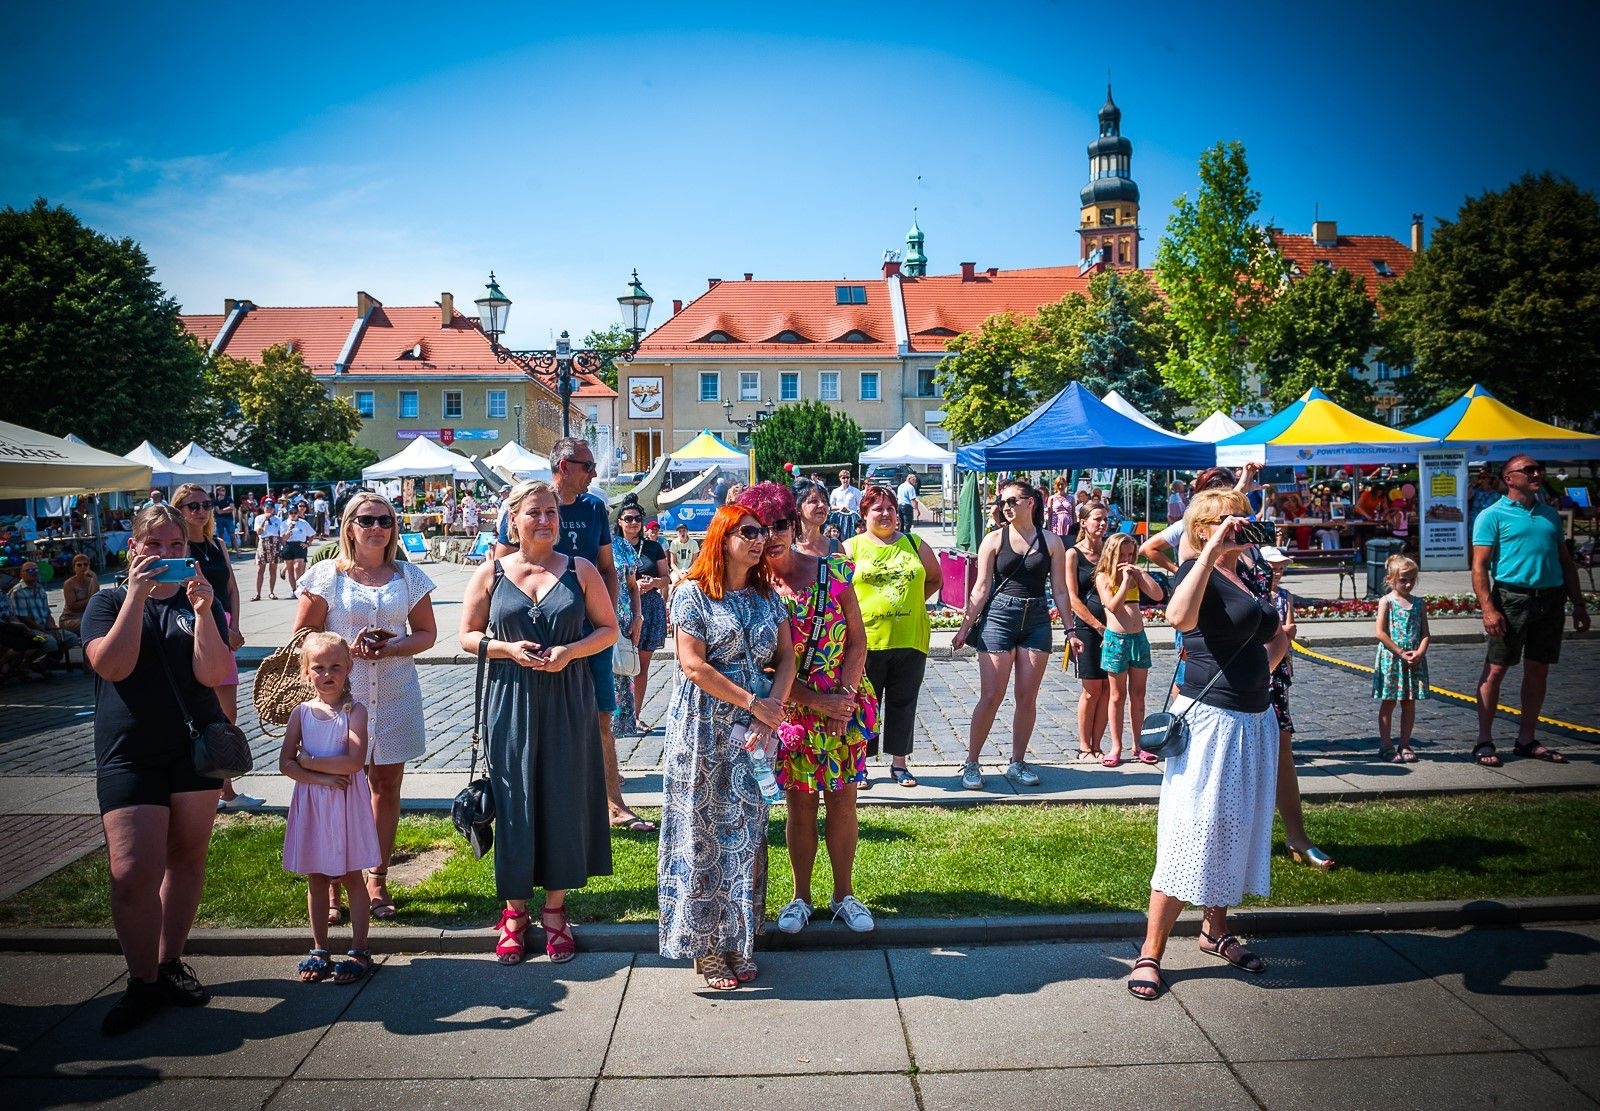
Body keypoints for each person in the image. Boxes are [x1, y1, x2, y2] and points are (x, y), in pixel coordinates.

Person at [1128, 488, 1289, 1002]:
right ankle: (1151, 951)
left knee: (1237, 826)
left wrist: (1282, 636)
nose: (1240, 526)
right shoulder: (1195, 574)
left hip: (1252, 720)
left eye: (1243, 518)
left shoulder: (1247, 574)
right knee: (1190, 831)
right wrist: (1209, 549)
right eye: (1226, 520)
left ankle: (1215, 930)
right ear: (1201, 528)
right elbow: (1178, 618)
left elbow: (1265, 645)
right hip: (1210, 724)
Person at [82, 504, 231, 1034]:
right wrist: (139, 596)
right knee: (130, 873)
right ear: (134, 549)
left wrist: (208, 612)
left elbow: (215, 673)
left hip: (194, 751)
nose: (167, 556)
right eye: (156, 546)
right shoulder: (106, 602)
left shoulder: (198, 602)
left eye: (177, 547)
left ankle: (169, 964)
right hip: (129, 751)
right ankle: (140, 980)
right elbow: (112, 665)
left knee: (186, 859)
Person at [458, 480, 618, 965]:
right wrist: (506, 648)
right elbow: (466, 636)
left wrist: (570, 651)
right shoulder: (490, 572)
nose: (545, 520)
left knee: (563, 798)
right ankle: (513, 913)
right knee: (514, 799)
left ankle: (555, 912)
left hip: (568, 697)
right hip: (510, 697)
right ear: (514, 519)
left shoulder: (581, 569)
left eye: (550, 512)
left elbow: (608, 630)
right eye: (534, 512)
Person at [658, 504, 795, 990]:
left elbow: (786, 659)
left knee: (747, 834)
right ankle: (706, 948)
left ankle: (740, 940)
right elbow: (693, 665)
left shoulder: (766, 595)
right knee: (702, 832)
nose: (761, 540)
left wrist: (773, 707)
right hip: (702, 729)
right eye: (750, 532)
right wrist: (754, 702)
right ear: (722, 537)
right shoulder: (692, 594)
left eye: (765, 532)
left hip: (754, 733)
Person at [737, 483, 879, 935]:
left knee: (843, 802)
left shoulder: (832, 571)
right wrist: (819, 702)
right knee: (799, 807)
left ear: (794, 523)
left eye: (779, 524)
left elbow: (857, 640)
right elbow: (764, 664)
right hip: (791, 712)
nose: (771, 536)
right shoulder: (752, 590)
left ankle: (843, 894)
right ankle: (800, 896)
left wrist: (845, 702)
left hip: (844, 703)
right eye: (760, 528)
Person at [294, 491, 438, 923]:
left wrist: (392, 646)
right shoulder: (325, 576)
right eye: (367, 519)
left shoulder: (408, 575)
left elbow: (426, 633)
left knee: (386, 786)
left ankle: (377, 877)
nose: (377, 527)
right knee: (337, 787)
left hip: (396, 694)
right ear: (350, 526)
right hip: (338, 701)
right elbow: (303, 635)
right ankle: (334, 883)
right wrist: (342, 652)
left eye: (385, 520)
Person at [496, 438, 652, 832]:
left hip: (587, 634)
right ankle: (539, 804)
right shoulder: (522, 505)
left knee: (601, 716)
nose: (595, 473)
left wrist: (610, 621)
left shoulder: (594, 507)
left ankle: (613, 804)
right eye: (587, 465)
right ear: (563, 466)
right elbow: (500, 569)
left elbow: (608, 568)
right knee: (533, 719)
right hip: (532, 634)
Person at [1469, 455, 1588, 767]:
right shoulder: (1491, 515)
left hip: (1550, 600)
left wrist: (1578, 604)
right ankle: (1484, 740)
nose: (1537, 473)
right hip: (1511, 599)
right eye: (1529, 470)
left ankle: (1526, 738)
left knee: (1538, 670)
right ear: (1509, 478)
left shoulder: (1549, 514)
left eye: (1538, 469)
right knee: (1496, 669)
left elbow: (1565, 562)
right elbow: (1479, 567)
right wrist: (1488, 609)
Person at [954, 478, 1069, 791]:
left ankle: (1017, 762)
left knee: (1026, 697)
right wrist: (965, 626)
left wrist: (1071, 630)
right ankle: (972, 763)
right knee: (991, 696)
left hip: (1037, 618)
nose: (1006, 507)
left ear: (1030, 502)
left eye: (1012, 501)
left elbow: (1059, 589)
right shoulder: (993, 539)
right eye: (1002, 503)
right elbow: (980, 588)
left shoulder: (1051, 541)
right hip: (1000, 617)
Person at [279, 631, 379, 984]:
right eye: (318, 667)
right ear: (306, 672)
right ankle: (320, 948)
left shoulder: (356, 711)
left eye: (336, 666)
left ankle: (360, 947)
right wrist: (318, 777)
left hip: (347, 804)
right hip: (313, 802)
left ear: (349, 667)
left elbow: (353, 762)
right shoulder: (301, 713)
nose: (327, 674)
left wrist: (310, 761)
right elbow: (286, 763)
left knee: (353, 874)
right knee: (317, 876)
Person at [845, 485, 942, 787]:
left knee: (904, 702)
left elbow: (935, 578)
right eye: (877, 509)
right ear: (864, 514)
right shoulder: (851, 547)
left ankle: (899, 764)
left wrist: (910, 605)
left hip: (910, 638)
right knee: (863, 705)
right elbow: (838, 592)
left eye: (890, 508)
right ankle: (860, 765)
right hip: (866, 643)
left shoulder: (914, 543)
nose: (885, 514)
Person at [174, 482, 259, 813]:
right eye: (192, 506)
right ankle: (203, 787)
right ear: (179, 510)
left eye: (206, 504)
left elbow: (232, 589)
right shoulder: (179, 550)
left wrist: (235, 626)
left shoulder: (217, 544)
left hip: (223, 628)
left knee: (228, 714)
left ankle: (226, 788)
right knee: (197, 710)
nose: (201, 510)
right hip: (195, 628)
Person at [1258, 546, 1334, 870]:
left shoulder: (1282, 596)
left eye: (1280, 566)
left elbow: (1287, 633)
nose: (1276, 571)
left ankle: (1296, 835)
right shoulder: (1242, 588)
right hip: (1239, 681)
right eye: (1271, 565)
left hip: (1274, 678)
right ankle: (1247, 837)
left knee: (1282, 748)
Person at [1094, 532, 1165, 767]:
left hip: (1138, 639)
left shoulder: (1136, 574)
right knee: (1117, 696)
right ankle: (1116, 745)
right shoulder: (1104, 577)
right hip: (1117, 640)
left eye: (1130, 554)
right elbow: (1113, 606)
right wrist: (1124, 581)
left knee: (1139, 695)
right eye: (1122, 554)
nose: (1126, 559)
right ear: (1112, 555)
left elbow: (1158, 595)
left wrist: (1142, 574)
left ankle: (1139, 744)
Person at [1373, 554, 1430, 764]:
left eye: (1412, 579)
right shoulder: (1386, 602)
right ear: (1391, 579)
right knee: (1389, 701)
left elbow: (1425, 633)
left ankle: (1405, 743)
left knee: (1409, 702)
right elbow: (1380, 632)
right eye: (1403, 579)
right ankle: (1386, 744)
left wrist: (1420, 652)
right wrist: (1399, 651)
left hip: (1413, 659)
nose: (1408, 584)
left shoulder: (1419, 603)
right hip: (1393, 659)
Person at [617, 504, 669, 732]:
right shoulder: (613, 546)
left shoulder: (653, 547)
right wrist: (632, 586)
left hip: (650, 607)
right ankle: (617, 714)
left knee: (641, 666)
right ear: (619, 521)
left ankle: (636, 716)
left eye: (637, 518)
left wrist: (654, 583)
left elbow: (666, 577)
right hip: (622, 608)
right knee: (619, 662)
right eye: (628, 518)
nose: (633, 523)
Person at [1065, 503, 1111, 761]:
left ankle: (1098, 744)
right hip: (1088, 628)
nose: (1102, 524)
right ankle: (1084, 745)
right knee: (1092, 689)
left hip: (1113, 627)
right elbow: (1071, 597)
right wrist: (1097, 626)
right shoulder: (1073, 554)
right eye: (1097, 519)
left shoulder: (1108, 551)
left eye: (1105, 519)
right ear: (1083, 522)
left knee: (1108, 689)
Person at [8, 561, 80, 667]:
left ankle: (44, 664)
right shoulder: (18, 592)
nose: (34, 573)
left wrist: (51, 624)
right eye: (30, 571)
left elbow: (47, 613)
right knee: (49, 642)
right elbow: (24, 619)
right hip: (30, 633)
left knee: (71, 638)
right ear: (21, 574)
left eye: (36, 570)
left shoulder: (40, 588)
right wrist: (44, 631)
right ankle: (24, 664)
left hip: (45, 629)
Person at [792, 478, 841, 558]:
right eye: (814, 501)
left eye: (824, 501)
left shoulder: (836, 547)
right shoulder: (789, 547)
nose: (822, 505)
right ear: (798, 508)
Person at [59, 554, 100, 636]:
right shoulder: (69, 583)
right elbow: (72, 606)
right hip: (70, 618)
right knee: (89, 625)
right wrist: (91, 600)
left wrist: (94, 577)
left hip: (87, 616)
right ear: (74, 568)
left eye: (85, 564)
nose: (82, 567)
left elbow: (97, 600)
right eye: (79, 565)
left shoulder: (92, 580)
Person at [253, 499, 286, 600]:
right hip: (263, 543)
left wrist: (283, 545)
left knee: (273, 569)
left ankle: (271, 592)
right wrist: (264, 520)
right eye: (267, 507)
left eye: (271, 508)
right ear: (264, 508)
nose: (268, 510)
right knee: (260, 570)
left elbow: (281, 534)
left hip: (275, 543)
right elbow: (258, 532)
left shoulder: (278, 519)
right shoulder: (259, 518)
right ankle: (258, 594)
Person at [281, 504, 317, 594]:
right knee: (290, 570)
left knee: (298, 567)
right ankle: (294, 590)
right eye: (291, 512)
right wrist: (289, 530)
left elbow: (312, 534)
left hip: (300, 546)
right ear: (288, 513)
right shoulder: (284, 523)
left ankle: (299, 589)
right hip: (288, 546)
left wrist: (308, 543)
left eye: (295, 512)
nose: (293, 514)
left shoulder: (303, 523)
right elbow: (283, 539)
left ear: (298, 513)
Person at [829, 468, 863, 538]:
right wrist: (840, 508)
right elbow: (830, 507)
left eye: (848, 477)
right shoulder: (835, 491)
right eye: (843, 478)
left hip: (852, 520)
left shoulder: (855, 491)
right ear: (840, 479)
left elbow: (861, 506)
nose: (846, 480)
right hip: (838, 519)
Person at [212, 487, 237, 551]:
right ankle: (222, 551)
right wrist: (228, 508)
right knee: (221, 536)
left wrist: (222, 510)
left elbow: (232, 508)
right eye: (222, 490)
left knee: (232, 535)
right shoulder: (216, 500)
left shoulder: (229, 498)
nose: (224, 491)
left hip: (229, 518)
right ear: (218, 492)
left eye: (224, 490)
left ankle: (237, 552)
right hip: (219, 519)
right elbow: (218, 512)